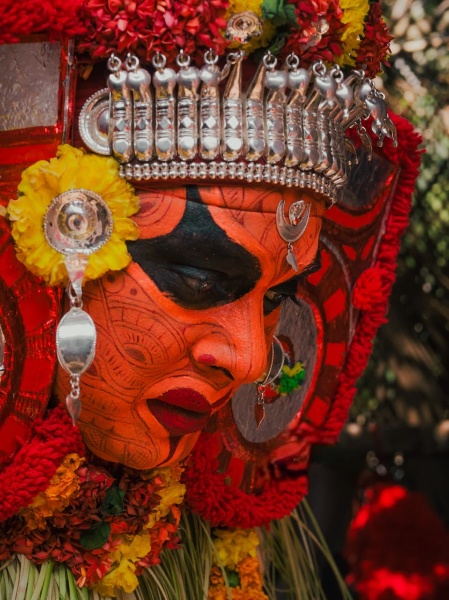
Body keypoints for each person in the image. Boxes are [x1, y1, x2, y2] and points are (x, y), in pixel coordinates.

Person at [0, 1, 421, 597]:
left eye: (277, 298)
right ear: (52, 237)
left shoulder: (205, 549)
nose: (251, 360)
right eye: (200, 281)